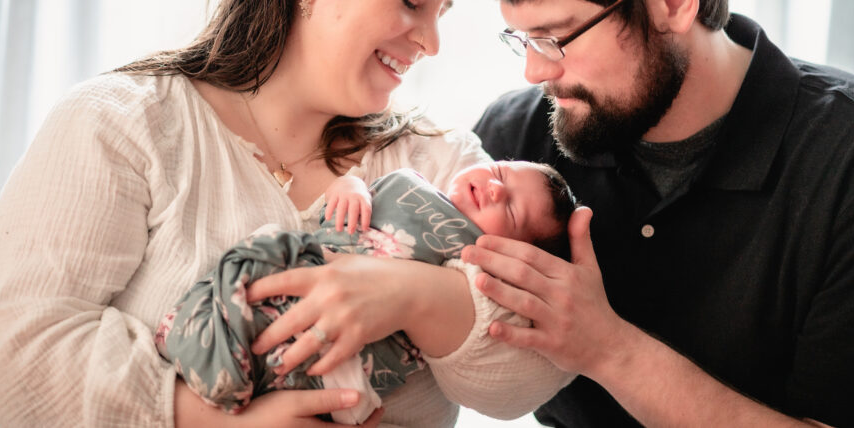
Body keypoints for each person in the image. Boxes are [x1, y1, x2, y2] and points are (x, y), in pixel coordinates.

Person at [0, 0, 571, 427]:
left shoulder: (443, 163)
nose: (431, 43)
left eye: (441, 13)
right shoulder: (126, 124)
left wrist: (406, 292)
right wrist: (206, 420)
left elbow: (526, 374)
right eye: (412, 0)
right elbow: (18, 346)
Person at [463, 0, 854, 428]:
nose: (534, 71)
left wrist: (608, 348)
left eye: (557, 38)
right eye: (523, 40)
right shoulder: (513, 146)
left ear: (673, 1)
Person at [157, 162, 576, 424]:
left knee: (340, 389)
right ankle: (211, 346)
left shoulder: (475, 264)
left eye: (511, 211)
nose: (495, 188)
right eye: (500, 171)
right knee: (261, 263)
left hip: (357, 351)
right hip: (310, 266)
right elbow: (341, 210)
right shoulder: (407, 184)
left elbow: (507, 335)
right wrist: (350, 186)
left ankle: (228, 372)